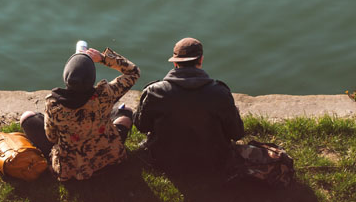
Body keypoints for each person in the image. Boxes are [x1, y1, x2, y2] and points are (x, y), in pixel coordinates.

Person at [19, 47, 140, 181]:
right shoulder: (106, 94)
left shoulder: (54, 105)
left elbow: (51, 137)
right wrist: (103, 58)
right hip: (108, 157)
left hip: (72, 168)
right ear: (92, 78)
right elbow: (133, 72)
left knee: (27, 118)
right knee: (126, 111)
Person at [135, 37, 245, 174]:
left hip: (165, 162)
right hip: (213, 162)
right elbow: (237, 133)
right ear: (201, 60)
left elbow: (142, 126)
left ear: (175, 63)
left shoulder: (154, 91)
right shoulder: (220, 93)